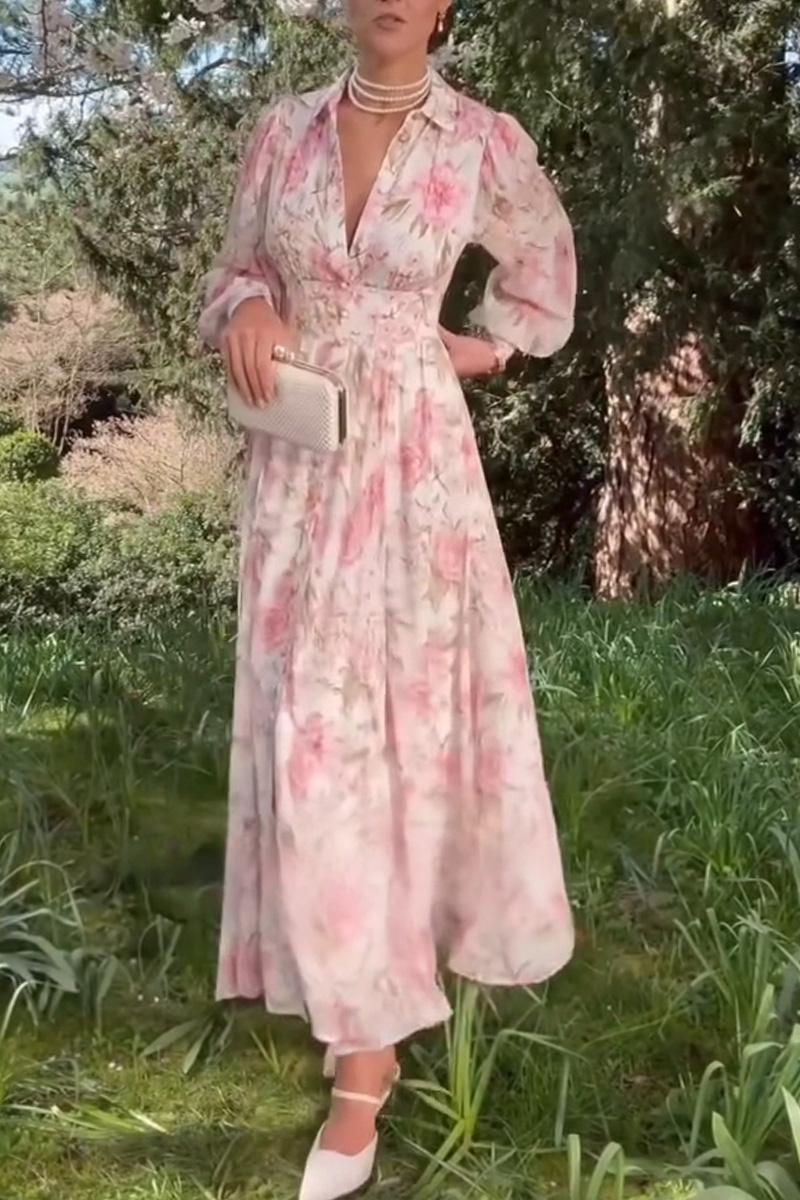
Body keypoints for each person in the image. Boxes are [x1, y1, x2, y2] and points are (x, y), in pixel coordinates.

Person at [199, 1, 577, 1197]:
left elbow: (541, 264)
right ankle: (357, 991)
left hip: (416, 466)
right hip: (302, 460)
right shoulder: (283, 131)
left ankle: (362, 1064)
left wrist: (485, 345)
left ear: (445, 6)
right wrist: (248, 308)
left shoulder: (482, 140)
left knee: (400, 729)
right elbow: (235, 270)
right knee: (313, 731)